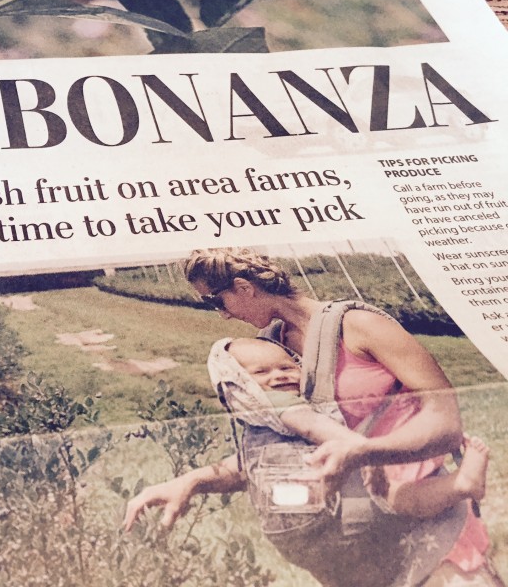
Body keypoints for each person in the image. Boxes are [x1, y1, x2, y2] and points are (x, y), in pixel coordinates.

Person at [123, 248, 503, 587]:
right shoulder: (271, 348)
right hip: (366, 550)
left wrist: (365, 452)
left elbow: (446, 423)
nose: (221, 314)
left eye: (215, 301)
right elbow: (286, 449)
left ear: (243, 288)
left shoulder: (358, 326)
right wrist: (193, 480)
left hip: (431, 530)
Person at [221, 336, 490, 520]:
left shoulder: (264, 411)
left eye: (287, 367)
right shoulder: (279, 403)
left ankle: (461, 485)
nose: (278, 375)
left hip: (305, 486)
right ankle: (460, 485)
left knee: (396, 498)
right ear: (241, 383)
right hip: (312, 482)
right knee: (395, 496)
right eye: (260, 372)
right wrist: (364, 453)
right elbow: (312, 425)